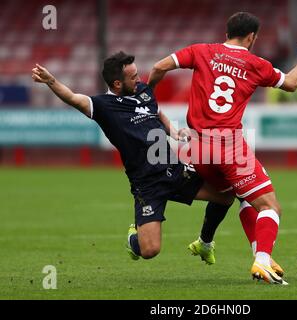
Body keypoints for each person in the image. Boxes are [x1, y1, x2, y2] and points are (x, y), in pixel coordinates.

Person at [148, 12, 297, 285]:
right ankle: (262, 261)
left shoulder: (201, 51)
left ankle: (252, 252)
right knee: (271, 207)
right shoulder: (256, 64)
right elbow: (291, 83)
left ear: (226, 31)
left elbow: (158, 67)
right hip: (229, 147)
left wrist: (149, 96)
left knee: (239, 195)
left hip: (198, 149)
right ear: (252, 37)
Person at [31, 51, 234, 261]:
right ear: (117, 83)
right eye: (133, 76)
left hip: (175, 170)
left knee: (227, 195)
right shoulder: (103, 107)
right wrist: (50, 81)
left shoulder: (143, 91)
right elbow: (73, 98)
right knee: (150, 251)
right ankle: (133, 239)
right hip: (146, 184)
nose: (139, 79)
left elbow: (156, 112)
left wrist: (172, 131)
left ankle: (205, 243)